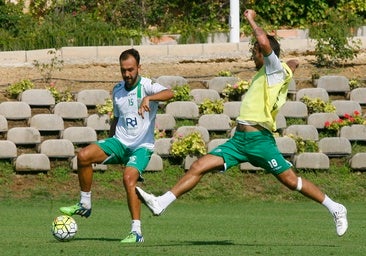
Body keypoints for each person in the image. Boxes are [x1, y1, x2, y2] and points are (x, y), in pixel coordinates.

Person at [136, 9, 348, 237]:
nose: (253, 56)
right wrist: (291, 62)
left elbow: (265, 42)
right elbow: (293, 62)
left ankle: (335, 207)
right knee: (199, 166)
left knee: (290, 180)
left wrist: (251, 19)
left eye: (256, 52)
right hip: (239, 141)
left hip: (260, 141)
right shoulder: (276, 71)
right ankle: (161, 203)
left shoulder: (274, 69)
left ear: (265, 54)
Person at [60, 48, 174, 243]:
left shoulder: (147, 86)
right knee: (84, 156)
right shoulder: (117, 90)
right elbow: (117, 117)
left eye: (130, 69)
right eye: (123, 70)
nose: (127, 74)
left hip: (141, 147)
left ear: (139, 67)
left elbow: (170, 92)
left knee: (128, 179)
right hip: (119, 142)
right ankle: (85, 204)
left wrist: (149, 98)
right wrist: (111, 141)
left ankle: (136, 232)